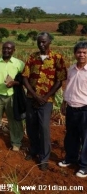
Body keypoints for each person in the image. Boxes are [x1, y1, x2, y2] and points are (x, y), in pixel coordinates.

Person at [22, 32, 67, 171]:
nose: (41, 44)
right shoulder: (32, 57)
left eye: (44, 42)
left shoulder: (57, 58)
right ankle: (34, 150)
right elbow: (25, 77)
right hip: (31, 99)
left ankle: (44, 157)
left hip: (47, 101)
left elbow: (59, 80)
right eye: (39, 42)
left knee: (44, 128)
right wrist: (35, 95)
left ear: (49, 42)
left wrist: (46, 96)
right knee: (31, 126)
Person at [59, 41, 87, 178]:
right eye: (79, 52)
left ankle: (84, 166)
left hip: (85, 109)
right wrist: (64, 103)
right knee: (71, 135)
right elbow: (68, 87)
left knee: (86, 138)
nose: (81, 55)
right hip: (71, 107)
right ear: (75, 54)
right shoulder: (71, 69)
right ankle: (70, 158)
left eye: (84, 52)